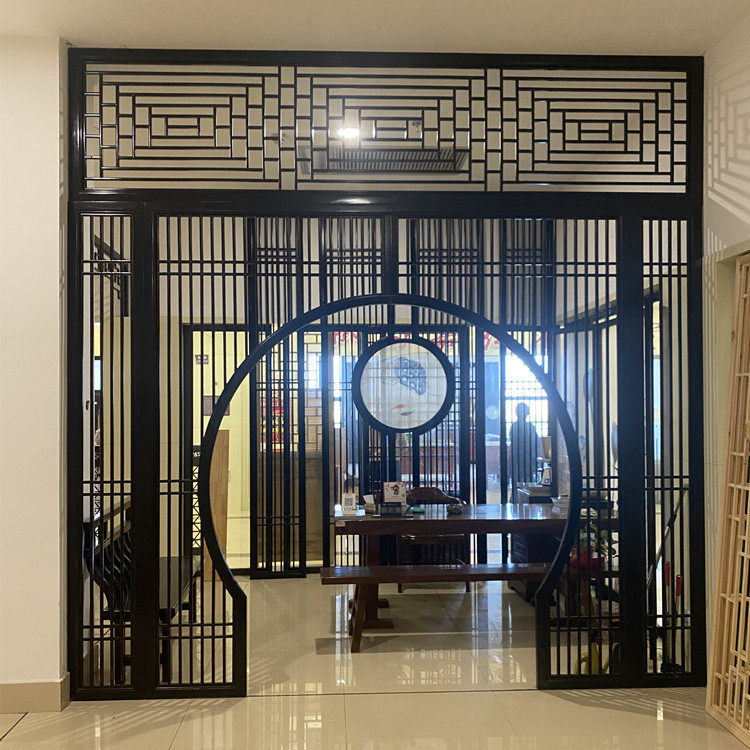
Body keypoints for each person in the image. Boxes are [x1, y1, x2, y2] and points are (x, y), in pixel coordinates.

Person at [508, 402, 541, 501]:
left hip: (521, 460)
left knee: (521, 484)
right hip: (525, 459)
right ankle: (521, 502)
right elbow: (537, 443)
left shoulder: (516, 426)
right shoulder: (529, 427)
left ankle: (517, 502)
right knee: (525, 485)